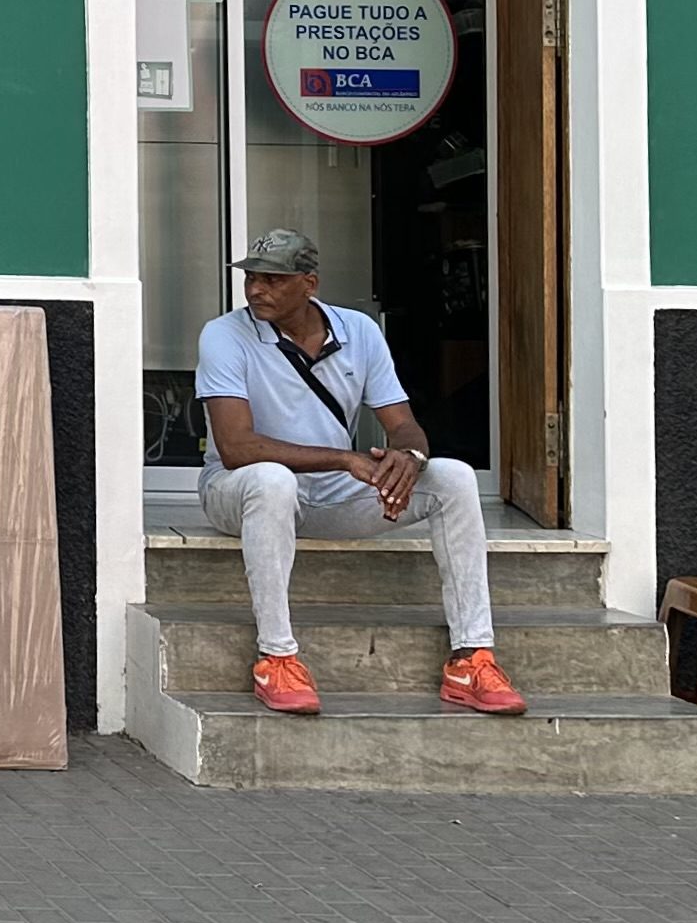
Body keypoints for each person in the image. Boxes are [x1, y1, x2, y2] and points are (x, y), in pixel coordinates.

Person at [195, 227, 527, 720]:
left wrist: (406, 462)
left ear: (309, 283)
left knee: (454, 477)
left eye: (273, 279)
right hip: (238, 490)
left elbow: (405, 424)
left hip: (328, 494)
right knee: (272, 480)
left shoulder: (359, 331)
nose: (255, 289)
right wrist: (346, 459)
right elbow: (237, 447)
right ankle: (277, 657)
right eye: (251, 278)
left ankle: (470, 657)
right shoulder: (224, 334)